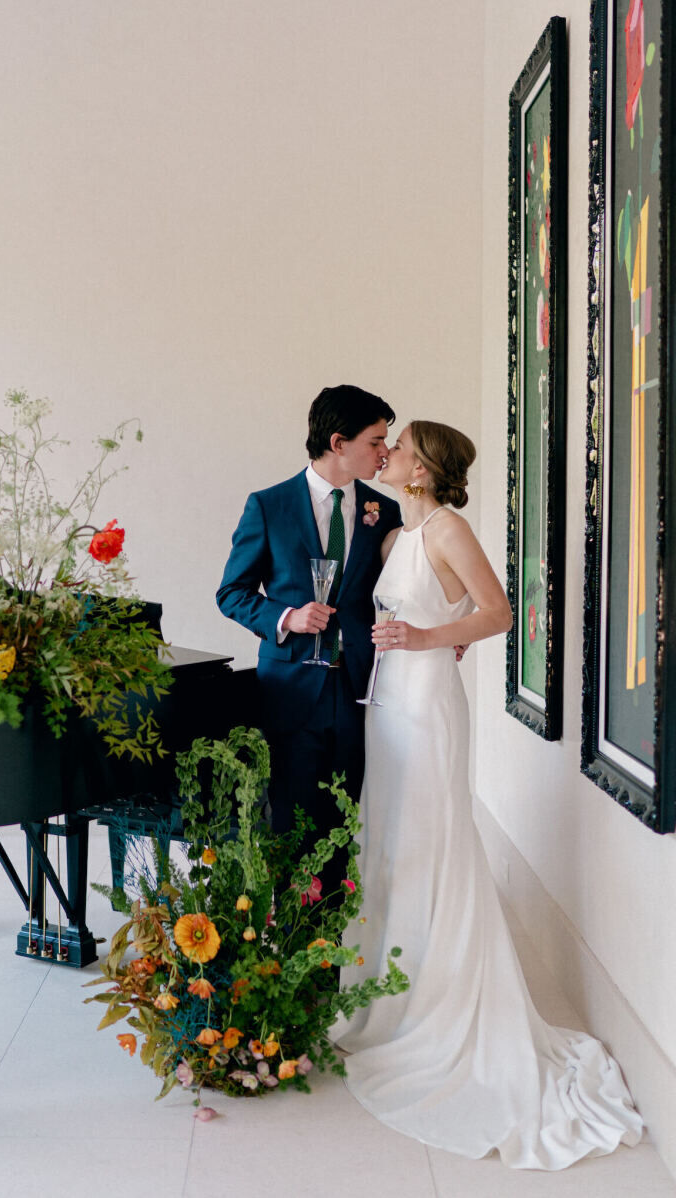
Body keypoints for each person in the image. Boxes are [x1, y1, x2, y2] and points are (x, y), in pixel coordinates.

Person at [333, 420, 643, 1169]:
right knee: (389, 842)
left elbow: (498, 612)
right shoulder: (398, 534)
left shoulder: (445, 528)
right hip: (386, 708)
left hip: (427, 700)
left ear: (425, 467)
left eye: (401, 447)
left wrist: (427, 639)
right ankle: (381, 989)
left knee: (430, 842)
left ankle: (436, 1006)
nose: (392, 453)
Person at [216, 384, 401, 896]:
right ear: (338, 443)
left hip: (362, 688)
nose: (385, 452)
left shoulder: (384, 512)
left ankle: (335, 946)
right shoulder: (269, 506)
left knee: (347, 823)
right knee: (292, 824)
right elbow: (231, 593)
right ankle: (289, 938)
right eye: (376, 441)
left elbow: (400, 590)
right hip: (291, 690)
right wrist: (287, 617)